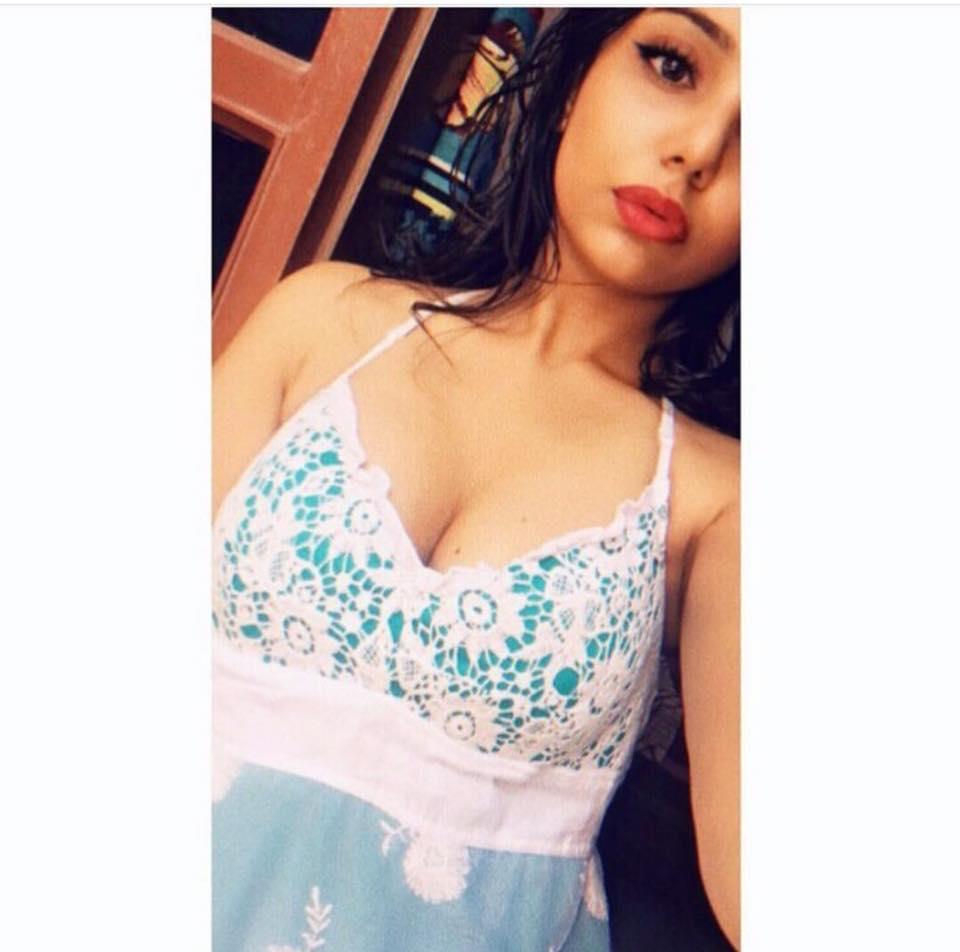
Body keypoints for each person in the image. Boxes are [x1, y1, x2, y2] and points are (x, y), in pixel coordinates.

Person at [212, 8, 740, 952]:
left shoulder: (718, 502)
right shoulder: (320, 322)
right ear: (576, 78)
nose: (699, 152)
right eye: (671, 64)